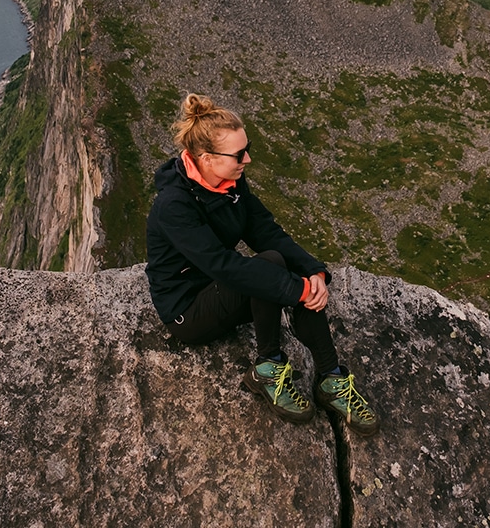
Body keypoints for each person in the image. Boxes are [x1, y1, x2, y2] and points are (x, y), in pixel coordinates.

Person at [145, 93, 379, 435]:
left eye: (247, 147)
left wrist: (312, 272)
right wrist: (297, 291)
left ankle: (330, 378)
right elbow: (223, 266)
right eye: (239, 154)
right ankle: (267, 369)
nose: (248, 159)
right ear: (207, 159)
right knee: (270, 269)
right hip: (188, 309)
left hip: (221, 286)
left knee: (283, 266)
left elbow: (263, 229)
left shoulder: (230, 180)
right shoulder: (173, 205)